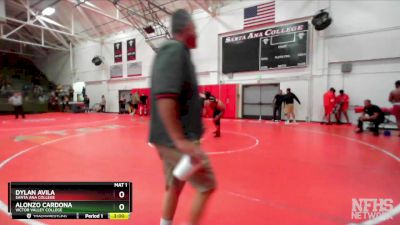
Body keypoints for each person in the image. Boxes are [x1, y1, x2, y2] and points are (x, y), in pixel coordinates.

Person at [149, 9, 216, 225]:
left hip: (171, 140)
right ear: (187, 28)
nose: (196, 32)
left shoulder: (181, 54)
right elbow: (165, 96)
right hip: (176, 141)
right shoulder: (173, 49)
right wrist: (180, 139)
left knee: (174, 186)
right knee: (207, 185)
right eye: (195, 28)